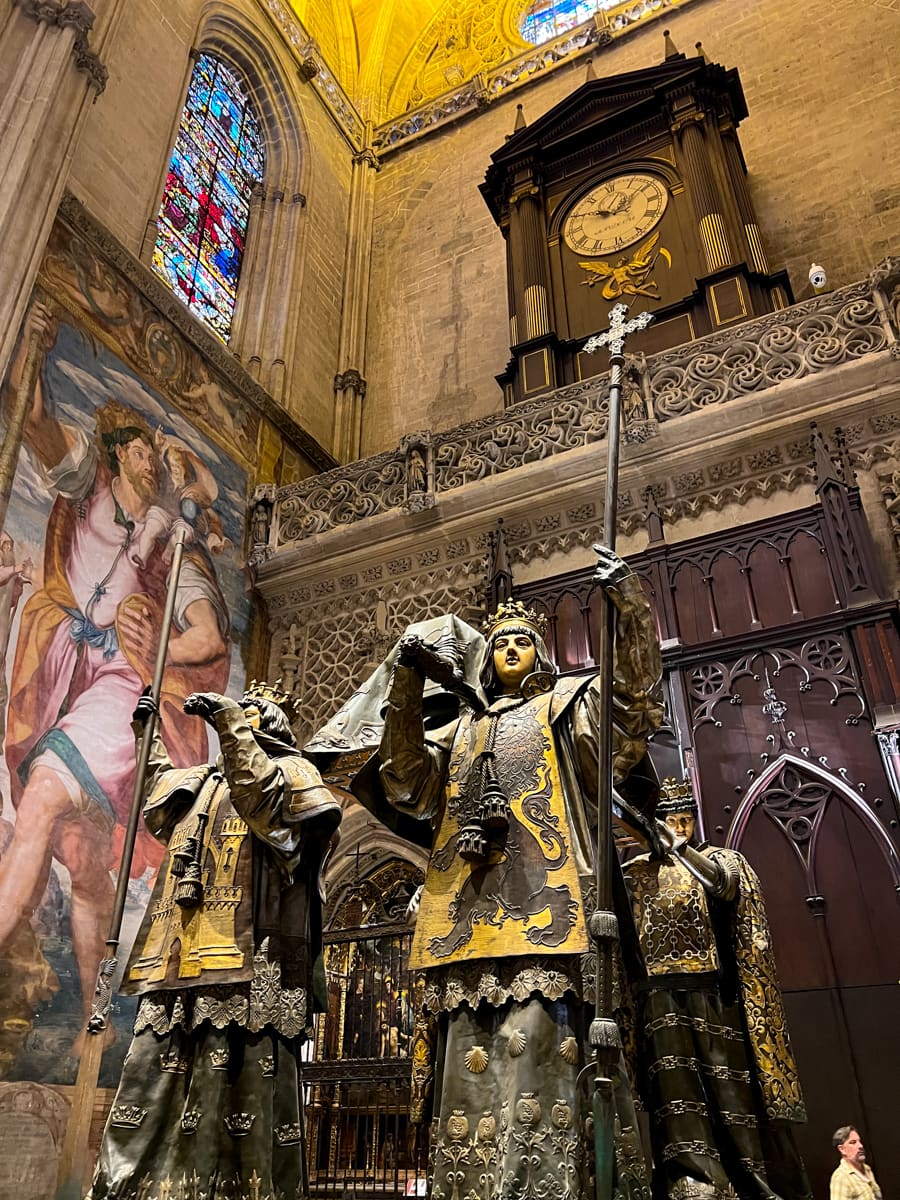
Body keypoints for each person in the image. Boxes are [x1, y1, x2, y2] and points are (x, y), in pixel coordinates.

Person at [329, 547, 663, 1200]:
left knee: (543, 1082)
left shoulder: (567, 707)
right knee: (467, 1097)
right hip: (465, 934)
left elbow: (627, 706)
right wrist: (404, 680)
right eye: (500, 641)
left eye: (523, 640)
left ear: (541, 655)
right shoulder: (458, 731)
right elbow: (405, 780)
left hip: (549, 928)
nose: (510, 647)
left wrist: (629, 607)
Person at [0, 301, 231, 1051]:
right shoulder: (89, 489)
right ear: (124, 452)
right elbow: (35, 425)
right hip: (69, 669)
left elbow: (206, 639)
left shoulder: (172, 541)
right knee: (91, 869)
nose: (154, 454)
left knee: (38, 802)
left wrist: (155, 638)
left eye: (161, 450)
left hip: (121, 693)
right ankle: (98, 1021)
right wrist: (34, 349)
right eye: (146, 446)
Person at [88, 680, 342, 1200]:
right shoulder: (204, 783)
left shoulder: (294, 774)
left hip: (253, 963)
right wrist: (146, 732)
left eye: (252, 714)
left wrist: (229, 721)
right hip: (182, 957)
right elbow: (159, 792)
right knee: (157, 1080)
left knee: (237, 1079)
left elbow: (267, 809)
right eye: (237, 714)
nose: (240, 720)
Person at [623, 778, 812, 1200]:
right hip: (657, 1000)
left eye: (685, 819)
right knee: (676, 1102)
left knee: (730, 1098)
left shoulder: (720, 859)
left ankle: (749, 1182)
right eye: (670, 820)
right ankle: (690, 1182)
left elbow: (723, 885)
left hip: (713, 996)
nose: (679, 826)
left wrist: (679, 848)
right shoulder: (633, 871)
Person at [830, 1127, 881, 1200]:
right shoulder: (841, 1178)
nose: (860, 1146)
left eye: (859, 1141)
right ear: (842, 1149)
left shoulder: (867, 1168)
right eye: (853, 1142)